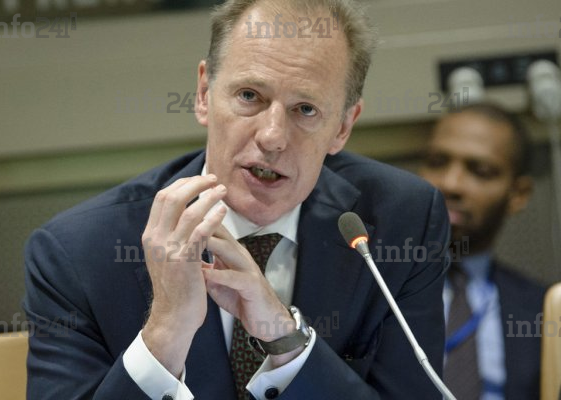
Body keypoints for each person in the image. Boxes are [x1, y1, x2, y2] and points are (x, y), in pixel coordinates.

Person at [24, 1, 450, 399]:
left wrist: (287, 343)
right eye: (250, 96)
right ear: (204, 93)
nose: (272, 137)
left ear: (342, 126)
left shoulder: (402, 220)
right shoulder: (79, 253)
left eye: (305, 109)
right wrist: (165, 332)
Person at [419, 103, 547, 400]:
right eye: (437, 162)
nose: (451, 184)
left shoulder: (544, 312)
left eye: (480, 171)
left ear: (518, 194)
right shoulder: (372, 290)